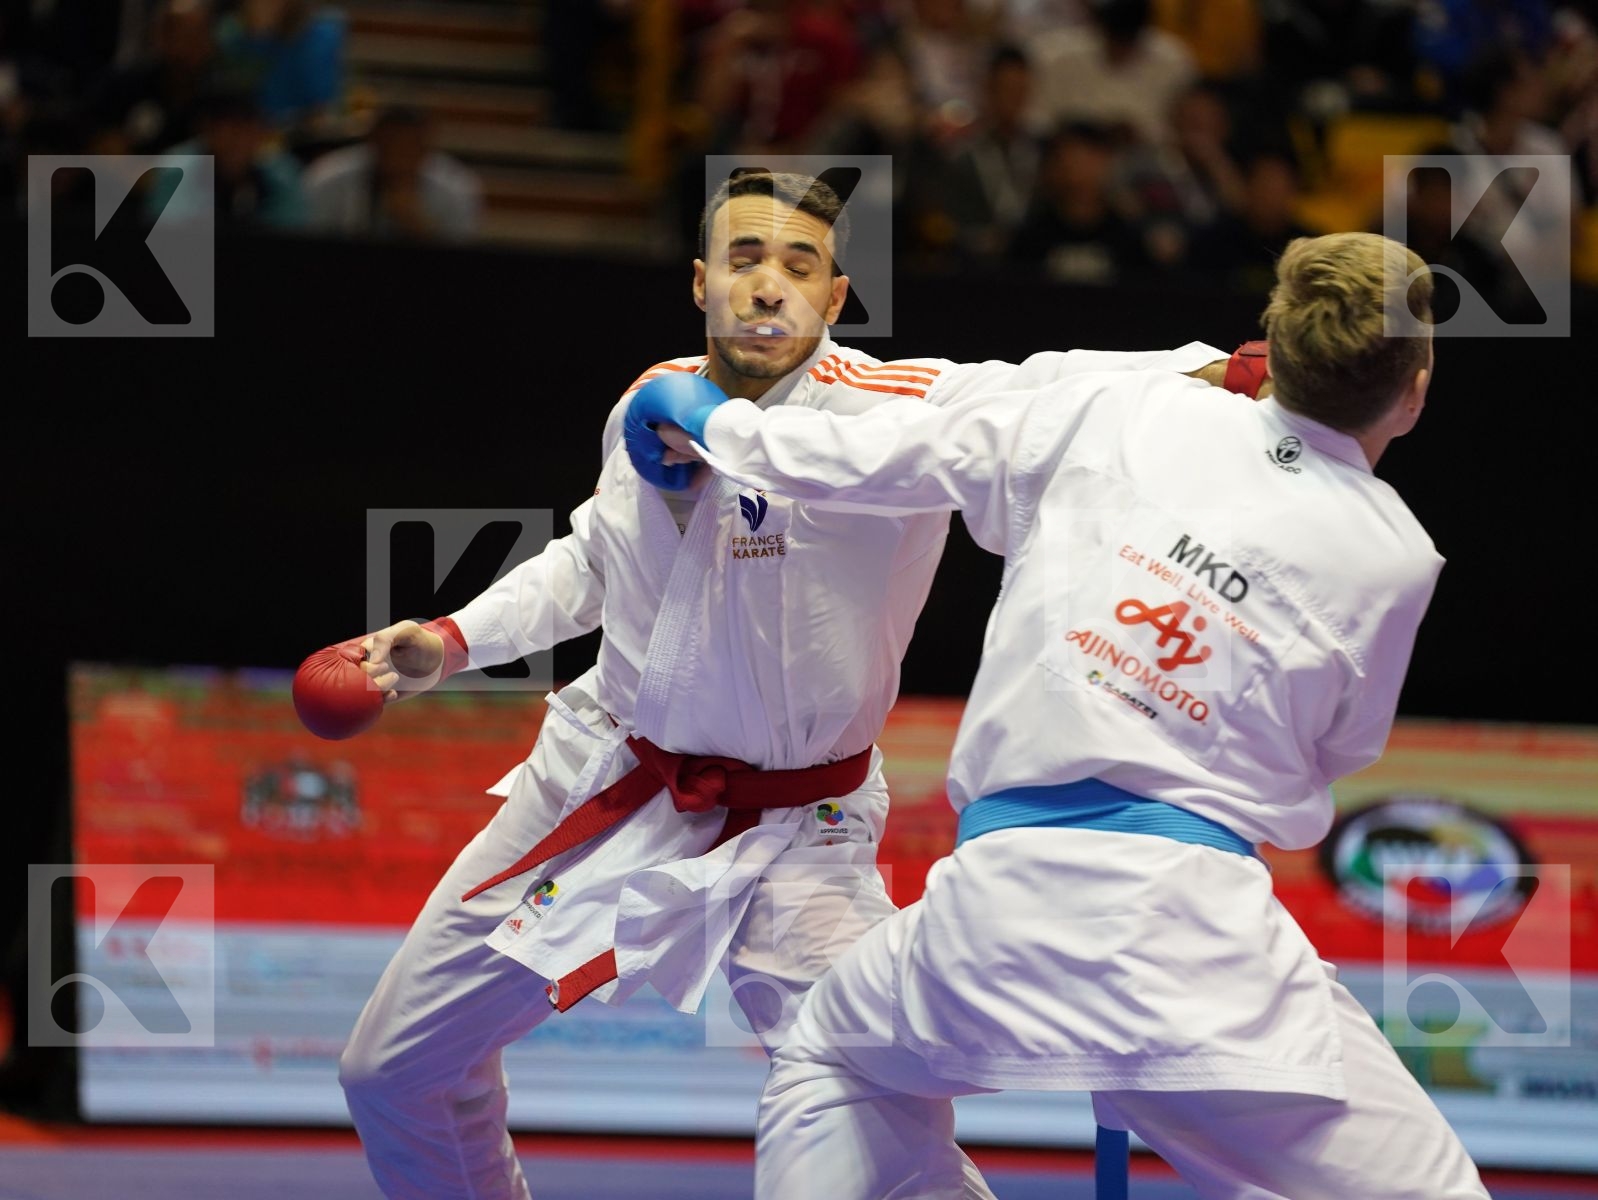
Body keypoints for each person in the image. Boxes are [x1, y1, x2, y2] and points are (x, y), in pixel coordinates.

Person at [324, 167, 1257, 1199]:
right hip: (606, 780)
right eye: (744, 258)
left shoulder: (899, 411)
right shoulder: (648, 397)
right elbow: (593, 557)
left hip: (801, 830)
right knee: (394, 1071)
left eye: (798, 265)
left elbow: (1050, 385)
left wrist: (1218, 371)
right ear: (700, 282)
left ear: (835, 296)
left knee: (873, 1126)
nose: (768, 284)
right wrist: (452, 640)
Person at [628, 231, 1491, 1200]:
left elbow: (886, 452)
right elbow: (1331, 755)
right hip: (1200, 960)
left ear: (1277, 346)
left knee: (831, 1055)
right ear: (1412, 393)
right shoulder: (1394, 556)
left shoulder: (1128, 407)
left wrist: (717, 424)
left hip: (988, 925)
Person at [303, 106, 481, 239]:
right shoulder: (329, 177)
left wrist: (419, 227)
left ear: (426, 148)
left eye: (408, 149)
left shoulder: (456, 188)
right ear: (373, 141)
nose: (397, 157)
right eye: (389, 146)